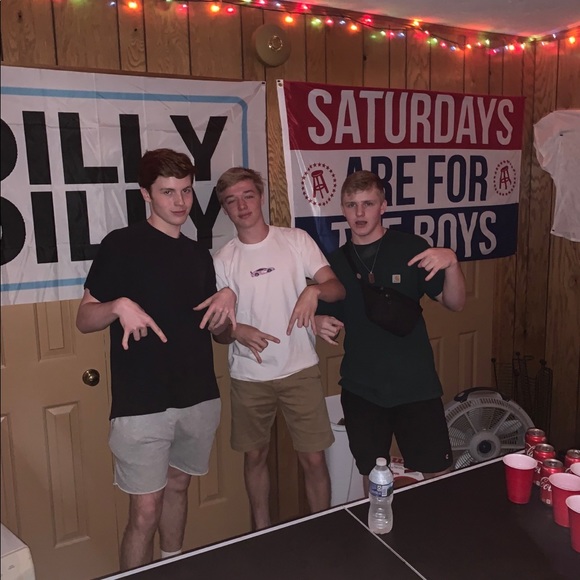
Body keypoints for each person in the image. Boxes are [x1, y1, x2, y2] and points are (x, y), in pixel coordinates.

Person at [76, 148, 236, 570]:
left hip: (198, 396)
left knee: (179, 489)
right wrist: (117, 306)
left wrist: (226, 308)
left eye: (186, 191)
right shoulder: (121, 245)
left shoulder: (198, 254)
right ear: (146, 193)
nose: (180, 202)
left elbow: (219, 335)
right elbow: (84, 319)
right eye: (168, 192)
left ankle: (172, 566)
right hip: (141, 403)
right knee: (144, 512)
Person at [210, 167, 345, 530]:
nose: (242, 206)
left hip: (299, 369)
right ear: (225, 208)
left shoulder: (295, 240)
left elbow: (336, 288)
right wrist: (236, 331)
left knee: (314, 459)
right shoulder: (223, 260)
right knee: (255, 457)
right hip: (249, 376)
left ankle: (323, 529)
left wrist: (314, 291)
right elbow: (218, 333)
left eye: (248, 196)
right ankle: (261, 532)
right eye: (231, 201)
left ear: (261, 197)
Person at [316, 170, 466, 492]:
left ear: (383, 206)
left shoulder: (410, 247)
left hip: (416, 384)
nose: (359, 213)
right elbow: (324, 316)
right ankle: (379, 524)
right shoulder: (334, 264)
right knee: (373, 478)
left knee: (437, 474)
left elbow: (455, 303)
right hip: (362, 387)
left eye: (368, 204)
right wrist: (316, 322)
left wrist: (452, 263)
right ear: (342, 209)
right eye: (351, 205)